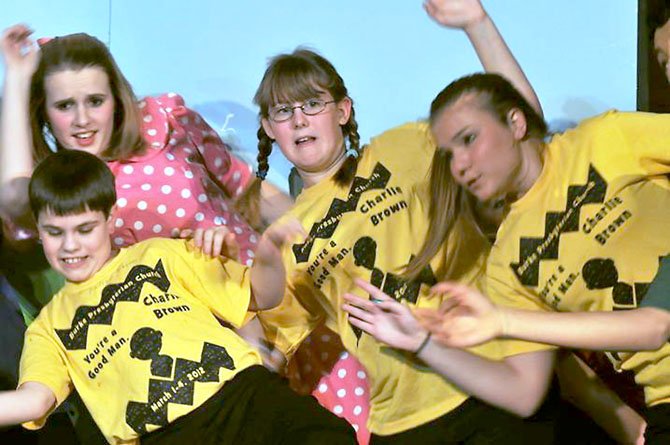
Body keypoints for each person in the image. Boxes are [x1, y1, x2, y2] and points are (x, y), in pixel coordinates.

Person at [237, 1, 580, 442]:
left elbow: (522, 126)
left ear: (343, 110)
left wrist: (478, 24)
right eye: (282, 112)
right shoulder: (282, 239)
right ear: (268, 128)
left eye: (312, 103)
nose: (299, 119)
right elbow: (270, 348)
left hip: (490, 385)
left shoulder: (405, 147)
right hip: (404, 424)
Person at [0, 148, 356, 445]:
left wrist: (268, 251)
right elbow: (35, 401)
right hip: (168, 436)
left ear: (110, 219)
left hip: (244, 397)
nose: (70, 245)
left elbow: (261, 295)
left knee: (326, 436)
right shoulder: (47, 328)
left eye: (84, 229)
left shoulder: (160, 254)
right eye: (54, 232)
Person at [408, 70, 670, 444]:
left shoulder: (603, 139)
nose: (460, 165)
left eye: (468, 140)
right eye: (450, 155)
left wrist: (475, 23)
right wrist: (423, 343)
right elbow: (528, 391)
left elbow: (654, 326)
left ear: (515, 123)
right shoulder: (505, 264)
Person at [0, 24, 293, 266]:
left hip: (268, 279)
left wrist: (315, 234)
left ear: (115, 99)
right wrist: (16, 76)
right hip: (194, 328)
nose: (82, 119)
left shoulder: (163, 118)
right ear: (44, 114)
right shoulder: (61, 189)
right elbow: (13, 198)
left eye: (95, 101)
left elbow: (245, 188)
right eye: (65, 106)